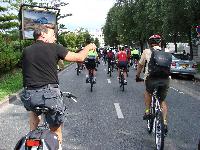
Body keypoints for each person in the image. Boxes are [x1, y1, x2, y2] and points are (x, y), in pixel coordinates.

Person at [21, 24, 96, 149]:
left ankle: (31, 139)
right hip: (49, 96)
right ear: (43, 34)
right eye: (53, 35)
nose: (55, 38)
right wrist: (89, 46)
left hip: (29, 96)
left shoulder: (26, 51)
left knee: (34, 111)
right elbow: (80, 57)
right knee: (56, 131)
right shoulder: (54, 48)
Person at [136, 34, 169, 135]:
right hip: (165, 79)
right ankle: (164, 122)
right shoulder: (166, 51)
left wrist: (137, 76)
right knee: (162, 100)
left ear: (150, 43)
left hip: (151, 78)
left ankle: (147, 111)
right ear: (159, 43)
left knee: (147, 92)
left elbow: (140, 65)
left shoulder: (146, 51)